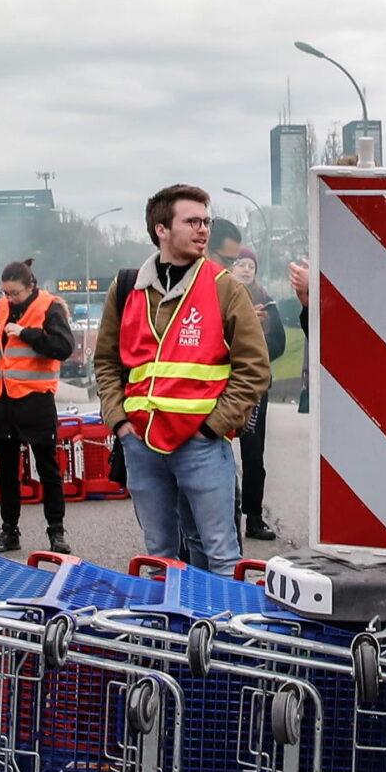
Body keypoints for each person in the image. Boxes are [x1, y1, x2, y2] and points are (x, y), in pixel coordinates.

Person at [93, 185, 271, 572]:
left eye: (206, 221)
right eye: (192, 221)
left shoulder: (225, 288)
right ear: (161, 229)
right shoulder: (126, 288)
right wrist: (119, 421)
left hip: (201, 443)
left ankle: (220, 631)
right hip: (141, 443)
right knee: (159, 557)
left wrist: (214, 427)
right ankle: (171, 630)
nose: (203, 229)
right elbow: (105, 361)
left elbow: (254, 368)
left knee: (219, 555)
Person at [0, 257, 77, 555]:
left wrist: (25, 332)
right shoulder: (0, 307)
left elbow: (63, 347)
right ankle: (10, 531)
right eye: (5, 293)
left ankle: (56, 532)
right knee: (7, 471)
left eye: (14, 293)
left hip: (36, 400)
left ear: (31, 286)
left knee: (48, 469)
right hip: (3, 399)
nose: (8, 298)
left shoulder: (50, 307)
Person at [228, 250, 286, 544]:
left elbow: (279, 344)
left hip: (255, 389)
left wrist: (254, 343)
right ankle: (225, 516)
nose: (247, 269)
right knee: (218, 453)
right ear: (231, 267)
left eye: (252, 265)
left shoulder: (267, 300)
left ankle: (253, 517)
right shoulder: (219, 293)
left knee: (253, 455)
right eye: (242, 264)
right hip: (221, 385)